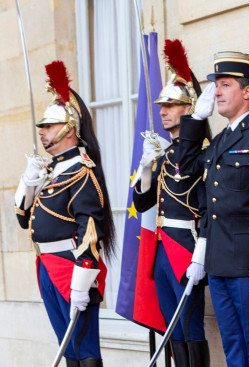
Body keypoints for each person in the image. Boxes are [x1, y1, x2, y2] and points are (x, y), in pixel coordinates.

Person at [175, 51, 249, 367]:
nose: (218, 93)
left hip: (248, 263)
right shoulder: (221, 140)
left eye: (224, 85)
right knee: (233, 348)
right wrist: (196, 120)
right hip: (219, 262)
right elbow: (185, 168)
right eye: (216, 87)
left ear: (247, 91)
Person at [14, 61, 115, 367]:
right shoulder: (52, 171)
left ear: (70, 129)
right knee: (67, 348)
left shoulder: (81, 170)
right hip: (46, 264)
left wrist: (83, 281)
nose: (43, 132)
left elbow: (90, 230)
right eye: (42, 127)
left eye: (50, 126)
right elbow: (22, 218)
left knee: (85, 351)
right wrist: (29, 180)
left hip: (71, 267)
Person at [131, 39, 211, 366]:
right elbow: (144, 201)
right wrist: (146, 167)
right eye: (162, 105)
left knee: (191, 328)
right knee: (173, 330)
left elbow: (208, 209)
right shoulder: (164, 154)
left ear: (189, 108)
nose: (162, 111)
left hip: (185, 248)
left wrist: (201, 254)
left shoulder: (204, 153)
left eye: (171, 105)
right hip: (161, 249)